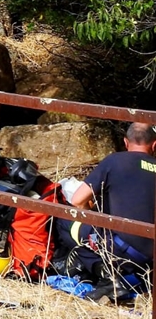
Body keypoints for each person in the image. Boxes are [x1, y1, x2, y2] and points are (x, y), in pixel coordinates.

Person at [57, 122, 156, 301]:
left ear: (126, 142)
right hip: (150, 258)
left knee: (65, 223)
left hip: (120, 251)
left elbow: (78, 200)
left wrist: (93, 220)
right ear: (155, 145)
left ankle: (108, 277)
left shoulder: (114, 161)